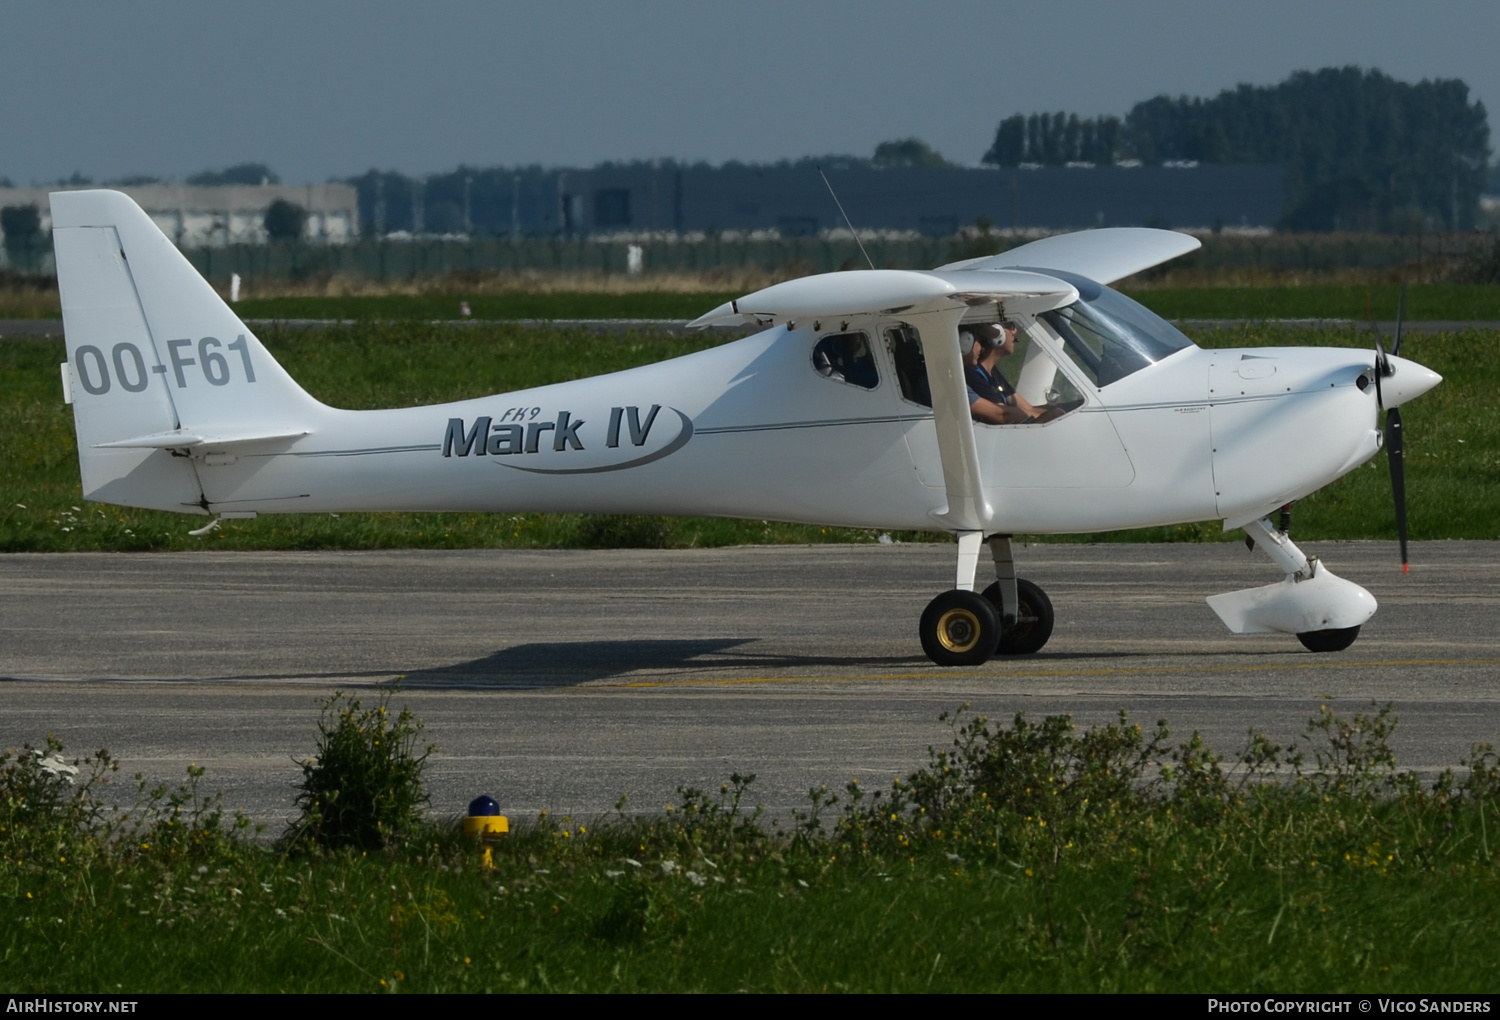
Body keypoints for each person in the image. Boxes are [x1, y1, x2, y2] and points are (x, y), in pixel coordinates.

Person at [962, 322, 1042, 424]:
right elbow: (1002, 414)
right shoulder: (969, 375)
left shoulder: (993, 373)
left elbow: (1028, 408)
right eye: (979, 340)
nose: (982, 347)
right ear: (965, 342)